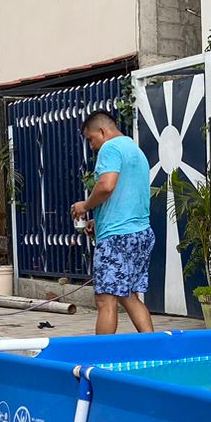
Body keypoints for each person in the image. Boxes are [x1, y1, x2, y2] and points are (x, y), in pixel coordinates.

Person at [69, 112, 156, 336]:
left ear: (102, 132)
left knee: (105, 300)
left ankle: (102, 358)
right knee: (128, 296)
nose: (91, 146)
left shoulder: (110, 148)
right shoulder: (136, 151)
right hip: (140, 233)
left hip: (118, 237)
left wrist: (85, 206)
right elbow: (126, 197)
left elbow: (107, 186)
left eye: (90, 139)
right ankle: (155, 350)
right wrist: (98, 220)